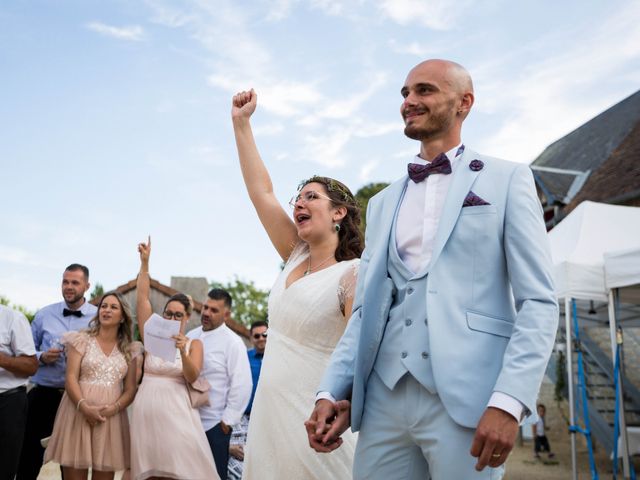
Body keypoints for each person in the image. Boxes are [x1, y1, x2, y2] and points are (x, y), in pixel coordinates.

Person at [307, 59, 558, 479]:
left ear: (464, 102)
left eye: (423, 90)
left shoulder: (507, 179)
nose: (409, 101)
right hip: (382, 401)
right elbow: (366, 310)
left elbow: (538, 301)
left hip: (468, 402)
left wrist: (509, 400)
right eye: (404, 93)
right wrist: (333, 388)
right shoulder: (383, 201)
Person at [231, 89, 363, 479]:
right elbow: (261, 193)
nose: (298, 204)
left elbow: (363, 347)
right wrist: (241, 124)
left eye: (311, 197)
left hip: (315, 416)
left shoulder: (354, 273)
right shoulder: (296, 255)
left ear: (338, 212)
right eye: (297, 198)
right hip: (270, 416)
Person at [131, 238, 219, 480]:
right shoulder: (151, 335)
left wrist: (182, 350)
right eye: (168, 312)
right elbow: (142, 299)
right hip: (146, 410)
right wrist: (145, 263)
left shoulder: (194, 344)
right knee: (150, 472)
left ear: (187, 318)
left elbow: (192, 377)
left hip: (178, 413)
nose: (171, 317)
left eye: (177, 314)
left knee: (180, 469)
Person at [43, 292, 141, 480]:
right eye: (104, 306)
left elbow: (130, 389)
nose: (106, 310)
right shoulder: (81, 339)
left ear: (122, 317)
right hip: (77, 413)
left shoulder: (130, 349)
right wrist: (84, 407)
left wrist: (112, 409)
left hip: (110, 420)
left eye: (113, 307)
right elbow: (71, 377)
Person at [18, 264, 97, 480]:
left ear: (87, 286)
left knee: (72, 463)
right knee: (28, 457)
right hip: (42, 395)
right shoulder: (43, 314)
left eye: (75, 282)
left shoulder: (98, 318)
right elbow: (25, 353)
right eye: (65, 281)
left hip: (77, 400)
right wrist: (41, 356)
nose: (69, 287)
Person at [186, 289, 252, 480]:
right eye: (205, 307)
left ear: (226, 315)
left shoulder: (233, 342)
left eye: (214, 310)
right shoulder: (191, 335)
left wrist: (226, 423)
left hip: (214, 426)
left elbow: (242, 384)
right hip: (187, 422)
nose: (206, 313)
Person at [0, 305, 37, 480]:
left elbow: (31, 366)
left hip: (7, 403)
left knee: (4, 470)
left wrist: (2, 359)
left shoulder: (12, 318)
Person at [227, 320, 268, 480]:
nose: (261, 338)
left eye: (265, 335)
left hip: (269, 417)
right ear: (251, 338)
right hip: (244, 417)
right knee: (239, 460)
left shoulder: (280, 358)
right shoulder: (245, 357)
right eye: (256, 336)